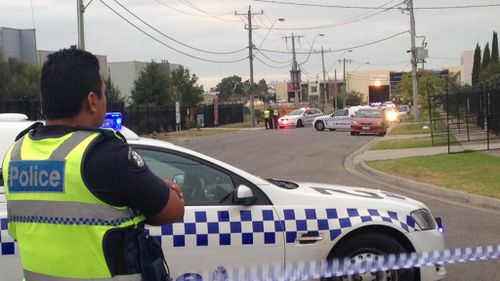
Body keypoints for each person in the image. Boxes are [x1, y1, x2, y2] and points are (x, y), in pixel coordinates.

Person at [2, 47, 184, 280]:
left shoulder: (16, 156)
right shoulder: (105, 154)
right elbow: (173, 210)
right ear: (92, 101)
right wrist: (165, 193)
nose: (105, 100)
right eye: (104, 94)